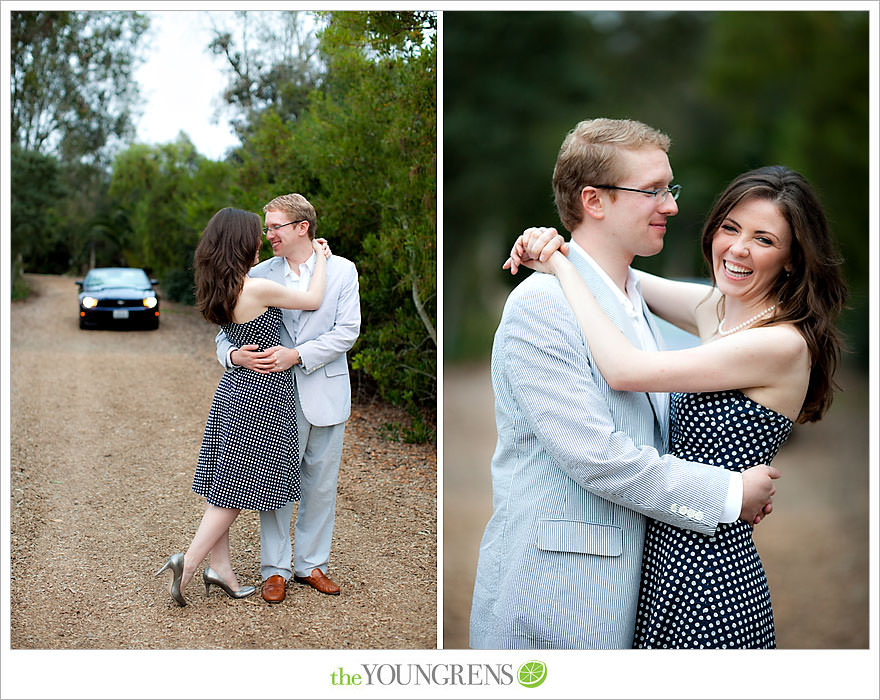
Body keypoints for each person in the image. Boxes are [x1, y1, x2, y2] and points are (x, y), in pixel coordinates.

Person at [468, 118, 781, 650]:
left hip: (640, 586)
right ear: (594, 201)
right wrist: (728, 493)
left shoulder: (633, 299)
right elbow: (594, 455)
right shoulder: (541, 305)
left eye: (670, 188)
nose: (672, 206)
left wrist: (555, 252)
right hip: (557, 591)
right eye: (654, 191)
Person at [509, 164, 846, 648]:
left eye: (764, 239)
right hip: (665, 558)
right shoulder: (718, 311)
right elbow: (617, 275)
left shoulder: (779, 344)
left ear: (792, 258)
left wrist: (560, 266)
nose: (738, 248)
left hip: (710, 577)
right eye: (730, 228)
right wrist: (557, 243)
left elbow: (624, 369)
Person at [156, 207, 327, 606]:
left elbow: (226, 337)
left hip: (232, 391)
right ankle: (189, 563)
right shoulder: (258, 288)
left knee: (221, 487)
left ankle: (224, 572)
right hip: (261, 398)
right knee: (234, 494)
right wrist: (319, 256)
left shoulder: (222, 287)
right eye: (256, 233)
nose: (262, 238)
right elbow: (314, 298)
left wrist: (234, 355)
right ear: (241, 242)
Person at [216, 193, 360, 603]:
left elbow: (347, 331)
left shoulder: (342, 271)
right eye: (267, 227)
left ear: (303, 228)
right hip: (269, 396)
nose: (268, 234)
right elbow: (224, 333)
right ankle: (274, 569)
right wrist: (231, 355)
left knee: (320, 485)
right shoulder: (259, 272)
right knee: (276, 483)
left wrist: (298, 354)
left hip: (326, 388)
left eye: (276, 226)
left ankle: (312, 565)